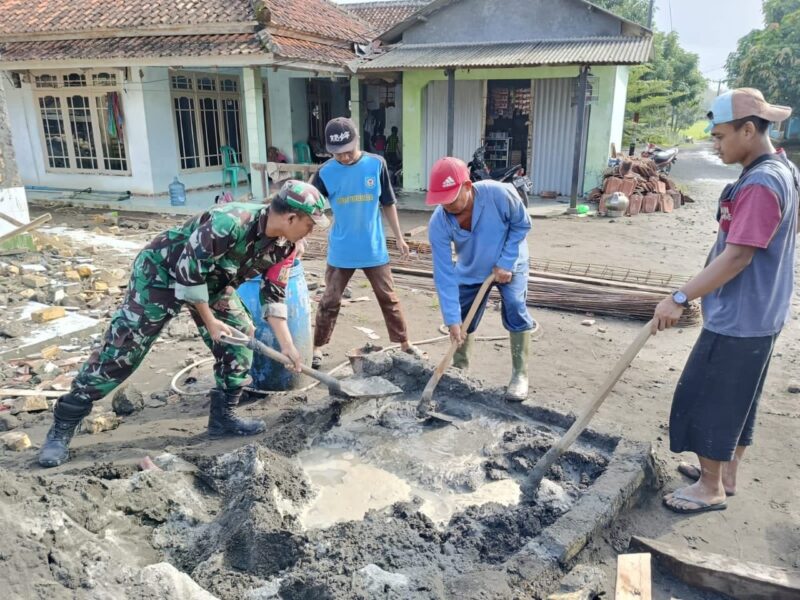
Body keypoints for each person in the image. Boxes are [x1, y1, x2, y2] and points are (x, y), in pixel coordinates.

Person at [38, 181, 330, 468]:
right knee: (126, 349)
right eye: (310, 224)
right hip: (161, 274)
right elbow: (188, 274)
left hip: (214, 283)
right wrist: (210, 322)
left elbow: (274, 296)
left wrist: (288, 346)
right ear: (291, 218)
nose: (312, 231)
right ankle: (64, 423)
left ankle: (223, 417)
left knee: (240, 339)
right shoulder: (229, 222)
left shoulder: (285, 246)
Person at [652, 88, 799, 514]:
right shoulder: (783, 169)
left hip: (740, 315)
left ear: (748, 131)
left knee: (710, 399)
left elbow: (738, 256)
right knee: (740, 398)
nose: (715, 145)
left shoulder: (762, 183)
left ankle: (710, 487)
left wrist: (680, 297)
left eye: (719, 136)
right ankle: (726, 475)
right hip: (764, 310)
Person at [310, 117, 422, 369]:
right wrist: (312, 226)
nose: (344, 157)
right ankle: (317, 347)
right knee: (329, 300)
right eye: (338, 153)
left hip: (373, 248)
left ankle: (404, 343)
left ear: (357, 141)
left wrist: (399, 238)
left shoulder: (376, 164)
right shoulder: (325, 172)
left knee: (388, 298)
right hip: (341, 250)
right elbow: (309, 203)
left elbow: (388, 203)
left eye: (348, 151)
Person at [426, 156, 534, 401]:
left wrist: (506, 262)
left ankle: (520, 375)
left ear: (467, 186)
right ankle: (460, 370)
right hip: (472, 269)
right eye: (442, 201)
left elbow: (521, 225)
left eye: (451, 199)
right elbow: (444, 274)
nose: (446, 206)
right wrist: (452, 320)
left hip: (510, 263)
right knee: (463, 319)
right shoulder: (439, 222)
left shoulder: (499, 194)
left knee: (515, 307)